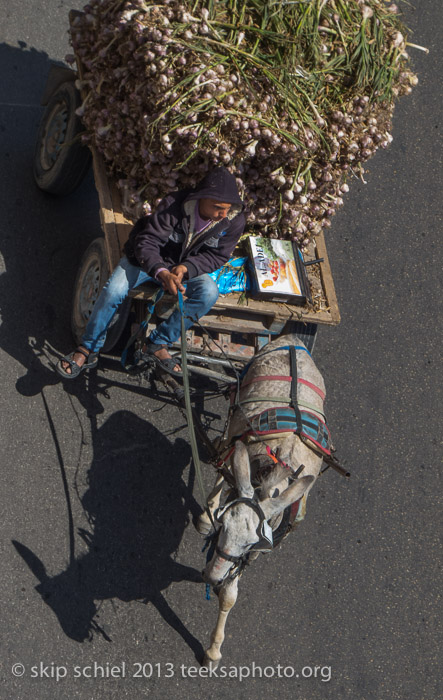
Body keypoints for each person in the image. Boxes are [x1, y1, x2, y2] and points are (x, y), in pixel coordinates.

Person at [56, 166, 246, 379]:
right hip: (146, 263)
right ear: (202, 198)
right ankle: (88, 348)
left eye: (227, 209)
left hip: (183, 269)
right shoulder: (174, 205)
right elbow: (147, 242)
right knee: (114, 291)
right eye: (218, 207)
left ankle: (157, 342)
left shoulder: (232, 220)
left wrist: (185, 268)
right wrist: (162, 272)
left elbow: (217, 256)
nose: (223, 214)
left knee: (209, 292)